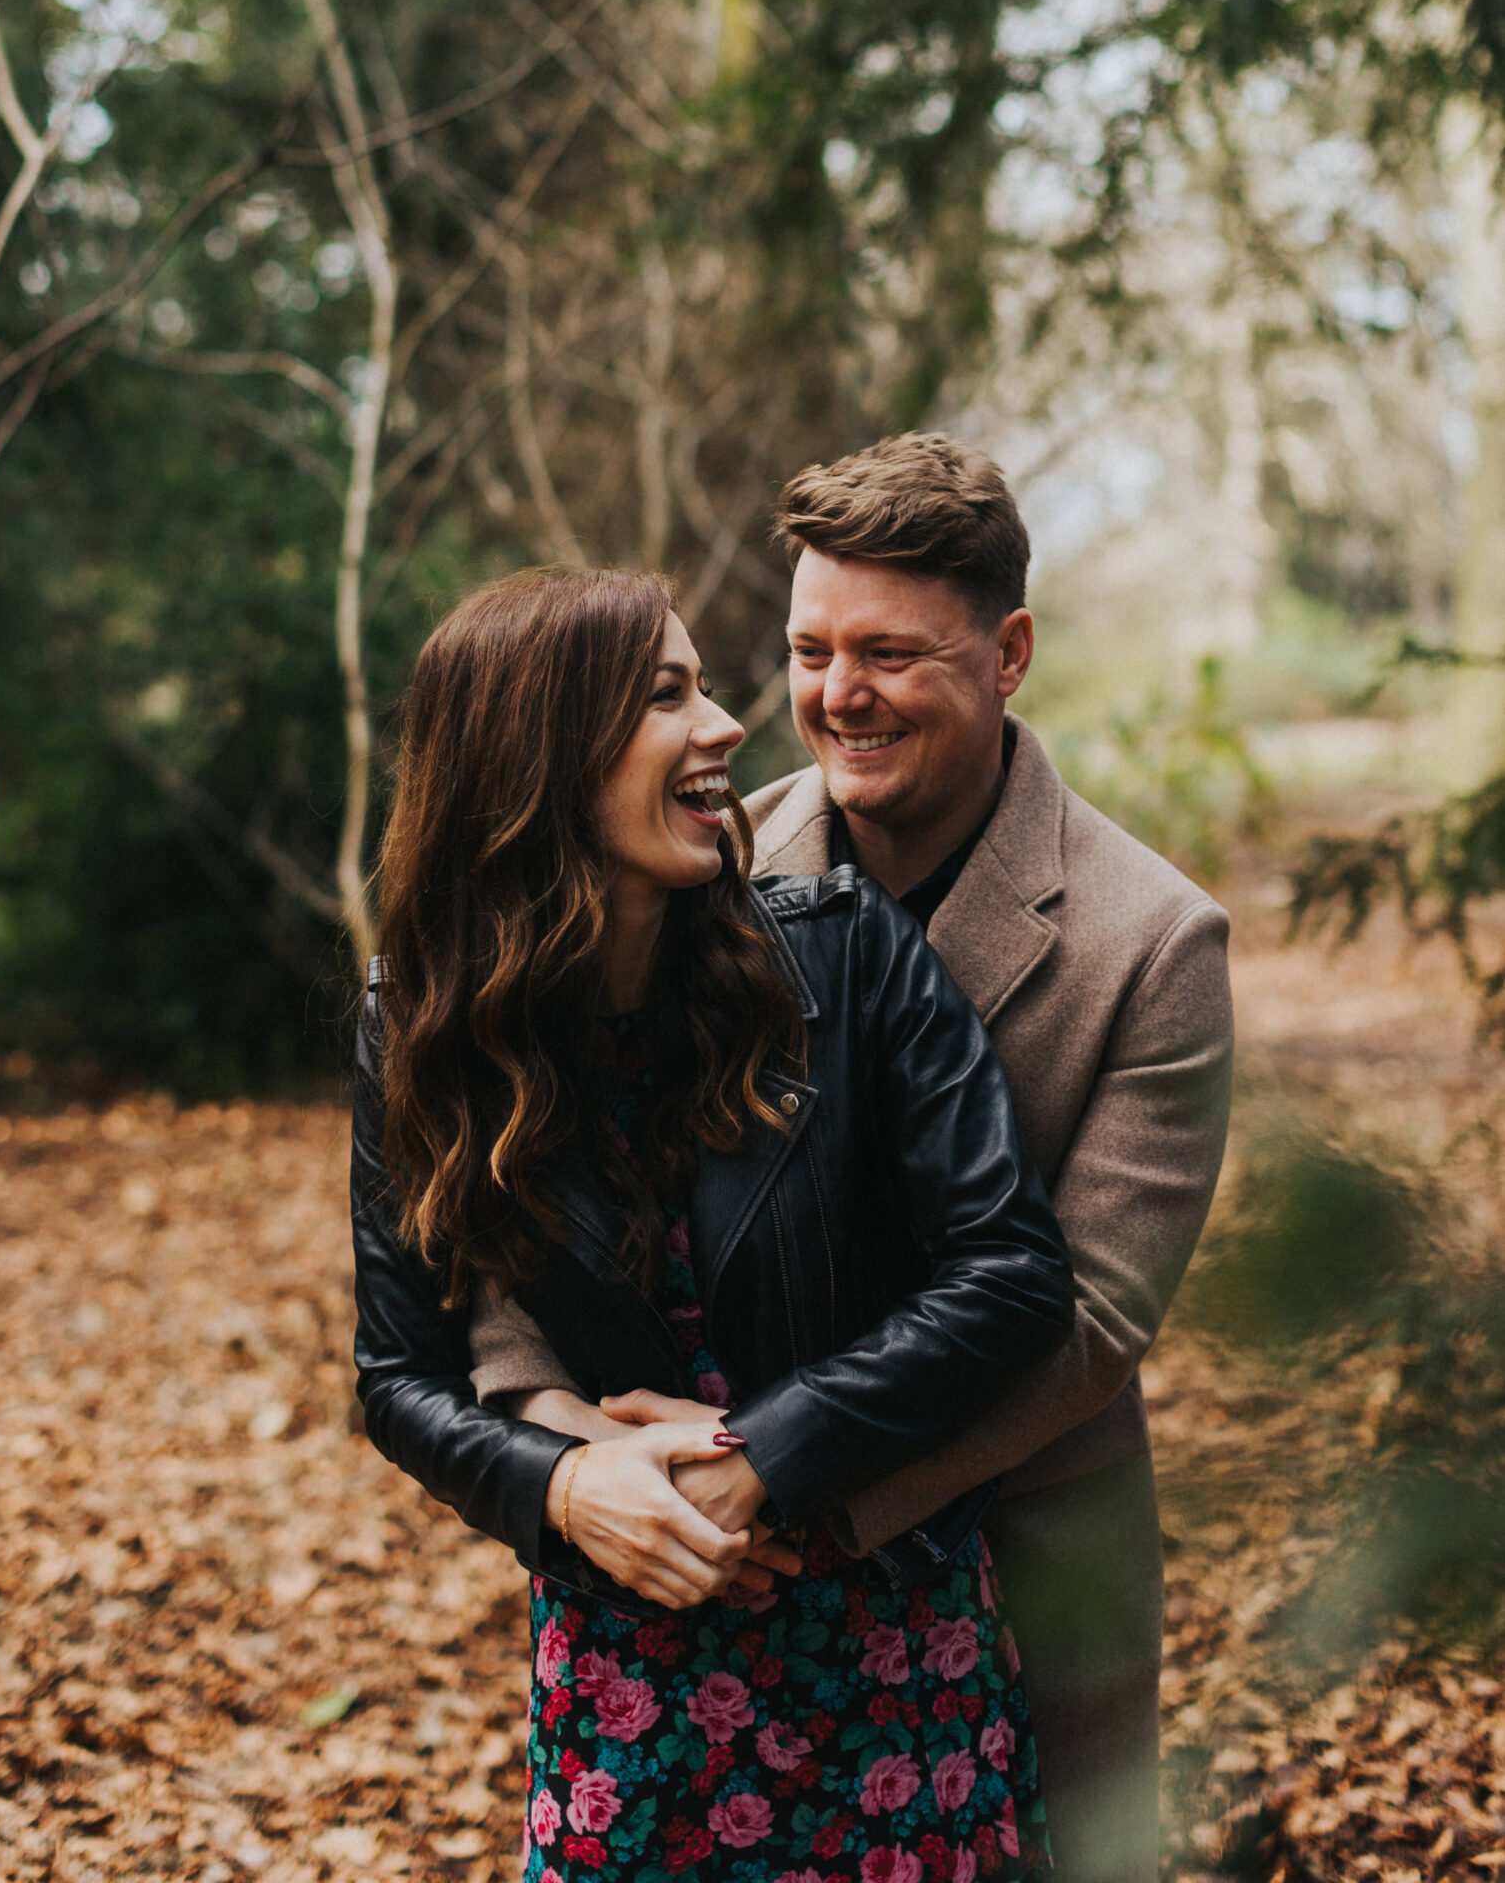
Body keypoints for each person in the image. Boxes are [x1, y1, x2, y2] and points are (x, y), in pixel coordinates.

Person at [470, 437, 1236, 1883]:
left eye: (889, 654)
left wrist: (793, 1475)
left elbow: (1090, 1316)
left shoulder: (1155, 945)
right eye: (811, 650)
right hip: (695, 1578)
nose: (835, 696)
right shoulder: (705, 864)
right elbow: (531, 1172)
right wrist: (571, 1444)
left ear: (1009, 652)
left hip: (1014, 1551)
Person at [352, 565, 1076, 1880]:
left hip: (883, 1644)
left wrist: (756, 1458)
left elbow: (1011, 1276)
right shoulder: (421, 1023)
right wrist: (570, 1483)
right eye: (665, 696)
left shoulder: (847, 957)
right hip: (629, 1646)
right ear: (541, 756)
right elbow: (401, 1377)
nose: (727, 726)